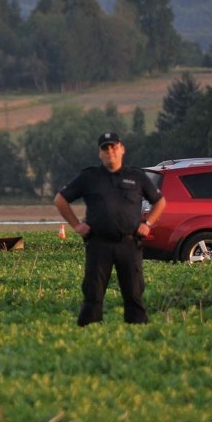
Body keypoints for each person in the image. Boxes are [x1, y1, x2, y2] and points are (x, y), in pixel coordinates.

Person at [54, 132, 166, 326]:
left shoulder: (136, 176)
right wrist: (76, 225)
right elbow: (60, 199)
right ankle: (90, 334)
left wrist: (147, 224)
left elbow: (160, 202)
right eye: (105, 148)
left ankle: (138, 334)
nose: (110, 152)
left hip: (129, 244)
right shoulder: (89, 177)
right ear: (100, 153)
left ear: (122, 149)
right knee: (93, 294)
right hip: (99, 244)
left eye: (113, 147)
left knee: (134, 294)